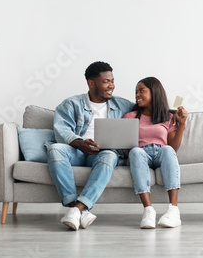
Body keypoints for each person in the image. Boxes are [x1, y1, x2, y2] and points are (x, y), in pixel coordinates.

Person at [47, 61, 134, 231]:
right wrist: (80, 143)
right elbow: (61, 131)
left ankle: (76, 210)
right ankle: (78, 208)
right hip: (76, 151)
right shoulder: (71, 104)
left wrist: (170, 111)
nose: (112, 86)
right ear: (91, 83)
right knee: (55, 149)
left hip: (101, 154)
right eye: (106, 81)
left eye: (112, 81)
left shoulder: (123, 105)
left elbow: (146, 111)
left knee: (110, 155)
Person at [123, 77, 188, 229]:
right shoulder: (130, 117)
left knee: (166, 149)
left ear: (154, 92)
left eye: (141, 91)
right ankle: (148, 210)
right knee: (136, 152)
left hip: (162, 153)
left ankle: (173, 210)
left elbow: (173, 148)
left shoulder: (168, 117)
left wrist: (181, 124)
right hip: (140, 154)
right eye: (136, 92)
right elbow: (126, 149)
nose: (137, 95)